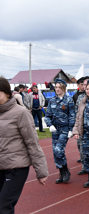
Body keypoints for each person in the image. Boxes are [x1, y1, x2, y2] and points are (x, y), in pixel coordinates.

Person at [0, 77, 48, 213]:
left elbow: (32, 143)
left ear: (7, 93)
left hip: (16, 168)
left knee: (3, 207)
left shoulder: (21, 113)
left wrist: (41, 171)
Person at [44, 79, 75, 184]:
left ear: (63, 88)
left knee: (59, 150)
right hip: (55, 129)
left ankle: (66, 171)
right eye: (56, 87)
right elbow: (47, 116)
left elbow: (72, 115)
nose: (57, 89)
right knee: (55, 152)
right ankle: (62, 173)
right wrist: (50, 125)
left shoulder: (69, 100)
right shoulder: (52, 100)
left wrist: (71, 129)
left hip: (64, 129)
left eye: (59, 87)